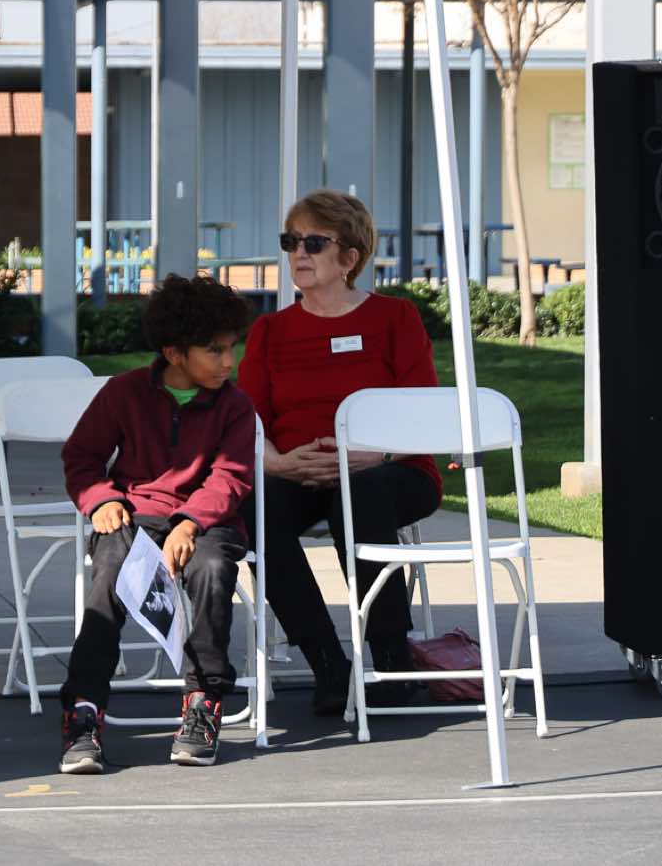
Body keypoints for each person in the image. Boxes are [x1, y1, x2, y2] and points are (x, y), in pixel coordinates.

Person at [239, 188, 440, 717]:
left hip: (391, 468)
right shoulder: (270, 330)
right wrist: (276, 462)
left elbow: (425, 410)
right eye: (291, 242)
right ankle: (327, 664)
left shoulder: (395, 318)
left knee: (359, 495)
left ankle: (392, 660)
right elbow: (246, 420)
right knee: (252, 507)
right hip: (298, 469)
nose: (298, 254)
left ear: (349, 258)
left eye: (313, 243)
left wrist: (379, 454)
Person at [56, 275, 256, 774]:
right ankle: (84, 711)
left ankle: (203, 702)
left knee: (211, 571)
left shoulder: (235, 406)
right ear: (173, 353)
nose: (228, 361)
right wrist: (100, 500)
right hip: (133, 514)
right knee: (109, 574)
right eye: (215, 350)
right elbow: (81, 457)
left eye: (231, 348)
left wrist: (190, 523)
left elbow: (230, 478)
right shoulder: (123, 392)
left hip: (208, 522)